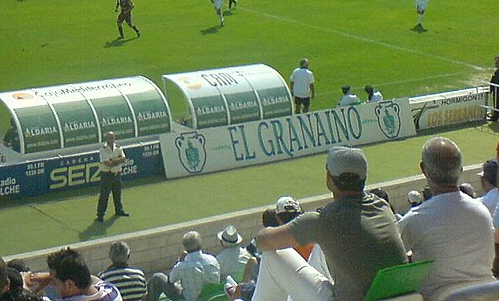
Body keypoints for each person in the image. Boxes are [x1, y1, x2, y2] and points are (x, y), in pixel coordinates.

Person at [252, 146, 407, 301]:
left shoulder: (322, 221)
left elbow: (263, 241)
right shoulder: (383, 207)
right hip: (396, 296)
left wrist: (268, 229)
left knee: (271, 256)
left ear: (329, 178)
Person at [398, 137, 493, 301]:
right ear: (460, 170)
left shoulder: (415, 219)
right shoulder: (482, 212)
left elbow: (392, 258)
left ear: (423, 168)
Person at [145, 231, 221, 301]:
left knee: (158, 277)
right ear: (200, 246)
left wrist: (179, 261)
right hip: (210, 297)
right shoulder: (212, 260)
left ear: (185, 248)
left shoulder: (181, 266)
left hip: (188, 299)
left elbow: (171, 280)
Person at [47, 247, 122, 301]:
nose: (51, 284)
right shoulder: (112, 291)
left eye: (54, 282)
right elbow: (91, 278)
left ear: (69, 284)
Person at [96, 132, 130, 221]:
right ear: (106, 138)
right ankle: (100, 214)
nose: (110, 139)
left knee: (117, 193)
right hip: (107, 175)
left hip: (117, 174)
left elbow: (123, 159)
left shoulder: (118, 147)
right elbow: (107, 163)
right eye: (109, 137)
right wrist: (117, 161)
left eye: (112, 137)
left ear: (114, 138)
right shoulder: (103, 149)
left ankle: (119, 210)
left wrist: (113, 161)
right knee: (104, 195)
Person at [489, 55, 499, 122]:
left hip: (497, 90)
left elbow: (495, 80)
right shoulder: (497, 71)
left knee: (497, 103)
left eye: (496, 63)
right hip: (496, 89)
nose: (495, 64)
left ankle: (495, 117)